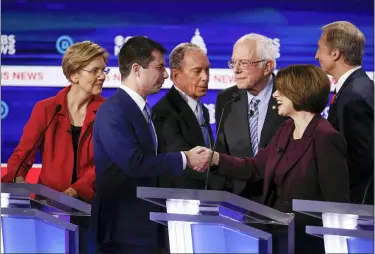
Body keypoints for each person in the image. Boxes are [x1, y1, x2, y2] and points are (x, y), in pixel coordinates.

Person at [194, 64, 350, 253]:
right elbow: (256, 167)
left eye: (281, 90)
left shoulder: (326, 137)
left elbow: (336, 202)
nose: (275, 95)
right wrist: (216, 158)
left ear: (298, 92)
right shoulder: (286, 129)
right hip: (272, 234)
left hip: (305, 242)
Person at [90, 36, 208, 254]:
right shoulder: (113, 111)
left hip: (147, 228)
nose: (165, 74)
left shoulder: (143, 110)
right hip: (121, 232)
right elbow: (134, 164)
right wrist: (186, 158)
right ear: (137, 69)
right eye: (159, 67)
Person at [2, 41, 109, 253]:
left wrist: (75, 190)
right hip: (48, 209)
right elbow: (23, 154)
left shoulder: (108, 111)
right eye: (95, 70)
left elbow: (107, 160)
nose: (103, 76)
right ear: (74, 74)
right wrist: (17, 180)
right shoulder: (47, 109)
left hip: (92, 209)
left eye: (103, 70)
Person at [215, 33, 286, 200]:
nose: (236, 69)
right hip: (239, 202)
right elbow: (222, 153)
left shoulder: (291, 95)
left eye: (244, 63)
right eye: (234, 62)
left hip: (280, 202)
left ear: (267, 66)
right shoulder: (226, 99)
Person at [152, 42, 226, 190]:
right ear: (176, 75)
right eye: (197, 71)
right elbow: (183, 166)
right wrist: (226, 185)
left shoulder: (201, 109)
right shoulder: (164, 113)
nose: (205, 77)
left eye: (207, 70)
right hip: (181, 200)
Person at [315, 21, 374, 204]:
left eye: (319, 49)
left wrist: (334, 189)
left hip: (356, 203)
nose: (316, 55)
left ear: (335, 53)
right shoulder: (357, 86)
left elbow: (363, 157)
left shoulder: (355, 95)